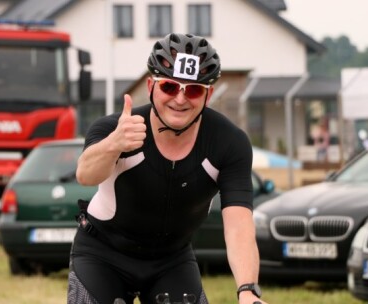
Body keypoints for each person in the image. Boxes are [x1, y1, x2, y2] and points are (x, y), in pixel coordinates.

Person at [67, 33, 267, 304]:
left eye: (194, 90)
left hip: (171, 260)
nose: (180, 99)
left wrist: (247, 290)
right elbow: (85, 175)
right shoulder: (117, 127)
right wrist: (114, 144)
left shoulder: (228, 142)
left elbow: (238, 226)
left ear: (207, 96)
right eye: (170, 87)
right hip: (103, 253)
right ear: (151, 86)